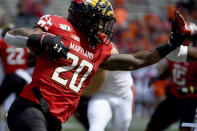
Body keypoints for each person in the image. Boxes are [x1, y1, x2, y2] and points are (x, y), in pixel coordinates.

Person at [3, 0, 190, 130]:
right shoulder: (58, 26)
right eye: (100, 20)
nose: (103, 27)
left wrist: (170, 46)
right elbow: (12, 36)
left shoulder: (98, 49)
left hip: (54, 120)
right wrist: (43, 38)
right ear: (85, 17)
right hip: (30, 108)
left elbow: (136, 61)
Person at [0, 24, 32, 131]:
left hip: (11, 76)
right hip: (24, 78)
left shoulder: (2, 42)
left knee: (8, 106)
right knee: (18, 108)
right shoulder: (23, 45)